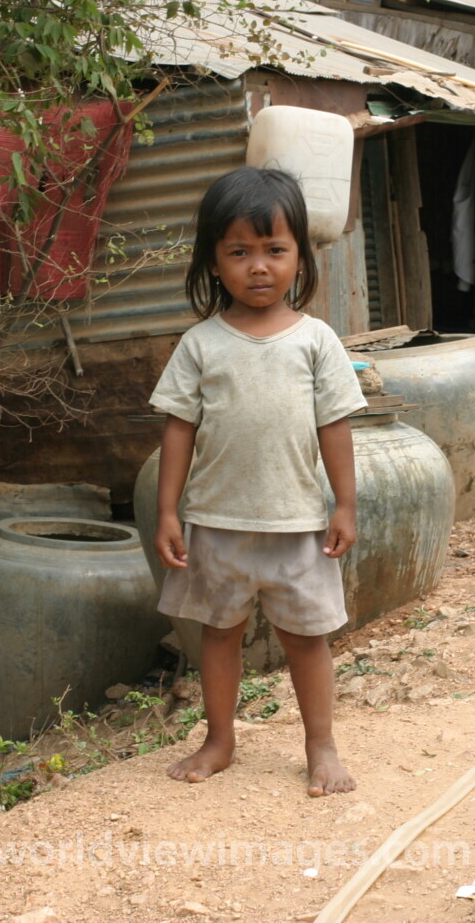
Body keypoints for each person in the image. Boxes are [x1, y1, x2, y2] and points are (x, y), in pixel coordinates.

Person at [150, 166, 364, 797]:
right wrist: (168, 512)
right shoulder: (199, 345)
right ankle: (219, 740)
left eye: (275, 250)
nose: (259, 267)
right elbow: (178, 431)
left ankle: (320, 746)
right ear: (213, 262)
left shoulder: (317, 341)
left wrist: (345, 503)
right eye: (239, 252)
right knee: (219, 636)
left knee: (307, 639)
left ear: (300, 255)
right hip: (216, 523)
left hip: (298, 524)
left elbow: (335, 427)